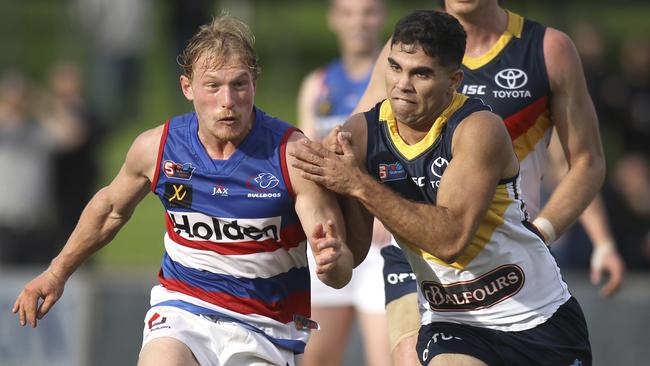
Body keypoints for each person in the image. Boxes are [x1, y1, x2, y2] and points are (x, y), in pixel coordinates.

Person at [12, 15, 361, 366]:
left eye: (239, 84)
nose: (228, 100)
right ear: (187, 87)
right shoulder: (158, 148)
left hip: (265, 326)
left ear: (254, 83)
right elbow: (109, 211)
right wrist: (57, 272)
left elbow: (341, 265)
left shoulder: (292, 155)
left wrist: (332, 263)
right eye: (213, 86)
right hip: (183, 310)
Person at [291, 10, 592, 365]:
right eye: (395, 67)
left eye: (421, 73)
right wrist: (331, 258)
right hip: (454, 322)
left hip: (538, 317)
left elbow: (449, 240)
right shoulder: (363, 134)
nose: (403, 84)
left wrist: (358, 183)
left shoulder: (479, 129)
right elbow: (352, 260)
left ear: (454, 80)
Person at [296, 1, 391, 365]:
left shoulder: (397, 80)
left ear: (381, 16)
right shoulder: (317, 85)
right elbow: (305, 164)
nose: (359, 22)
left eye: (368, 12)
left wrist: (385, 211)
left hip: (382, 236)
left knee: (385, 357)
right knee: (316, 357)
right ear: (334, 19)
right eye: (349, 13)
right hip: (331, 232)